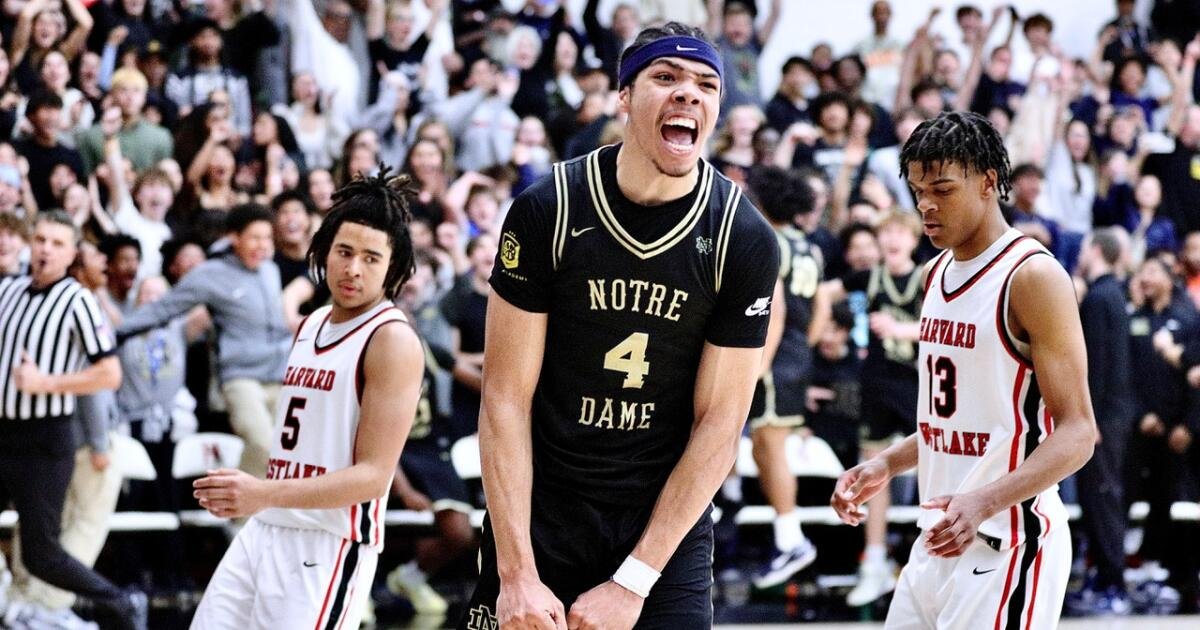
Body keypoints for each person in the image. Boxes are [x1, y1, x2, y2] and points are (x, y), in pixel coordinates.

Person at [462, 21, 779, 630]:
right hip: (543, 510)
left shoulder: (742, 237)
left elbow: (721, 422)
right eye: (665, 78)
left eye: (707, 85)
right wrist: (518, 573)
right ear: (624, 98)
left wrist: (634, 581)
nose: (688, 94)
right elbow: (504, 398)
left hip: (663, 524)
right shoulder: (548, 208)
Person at [831, 111, 1097, 629]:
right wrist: (886, 464)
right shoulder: (936, 273)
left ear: (989, 183)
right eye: (917, 191)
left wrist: (983, 501)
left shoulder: (1032, 276)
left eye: (942, 189)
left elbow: (1079, 432)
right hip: (937, 539)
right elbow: (952, 422)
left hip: (1008, 542)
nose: (926, 205)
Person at [189, 171, 425, 628]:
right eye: (345, 252)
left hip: (327, 544)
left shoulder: (392, 340)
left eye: (371, 258)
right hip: (267, 528)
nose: (353, 268)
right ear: (323, 252)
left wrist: (260, 492)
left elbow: (373, 478)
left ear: (392, 269)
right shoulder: (312, 322)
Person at [0, 212, 146, 630]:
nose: (45, 249)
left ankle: (119, 600)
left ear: (71, 256)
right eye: (41, 239)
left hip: (44, 439)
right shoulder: (8, 291)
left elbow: (109, 373)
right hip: (2, 431)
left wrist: (45, 382)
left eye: (57, 243)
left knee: (41, 554)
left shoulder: (77, 299)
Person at [117, 205, 292, 479]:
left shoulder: (270, 270)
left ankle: (259, 515)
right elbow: (165, 307)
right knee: (261, 444)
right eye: (255, 238)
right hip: (241, 377)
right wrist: (115, 333)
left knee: (287, 456)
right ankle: (239, 516)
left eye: (268, 238)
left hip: (281, 375)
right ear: (234, 237)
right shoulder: (210, 273)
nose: (263, 245)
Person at [820, 211, 924, 606]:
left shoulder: (926, 277)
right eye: (887, 233)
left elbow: (944, 324)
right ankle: (875, 562)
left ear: (913, 238)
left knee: (934, 465)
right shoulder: (870, 277)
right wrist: (823, 332)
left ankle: (931, 551)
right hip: (877, 382)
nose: (894, 239)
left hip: (918, 383)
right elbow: (823, 292)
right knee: (873, 469)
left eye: (900, 232)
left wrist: (901, 329)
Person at [743, 165, 822, 589]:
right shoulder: (810, 246)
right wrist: (801, 348)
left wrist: (760, 365)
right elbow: (820, 306)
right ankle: (762, 522)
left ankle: (791, 539)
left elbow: (775, 309)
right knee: (761, 445)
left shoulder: (769, 241)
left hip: (774, 357)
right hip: (796, 354)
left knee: (769, 447)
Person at [1071, 228, 1134, 615]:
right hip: (1113, 415)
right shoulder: (1114, 295)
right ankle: (1106, 577)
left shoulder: (1098, 298)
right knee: (1102, 499)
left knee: (1103, 500)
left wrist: (1086, 416)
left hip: (1101, 418)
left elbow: (1093, 365)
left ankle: (1114, 583)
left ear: (1096, 251)